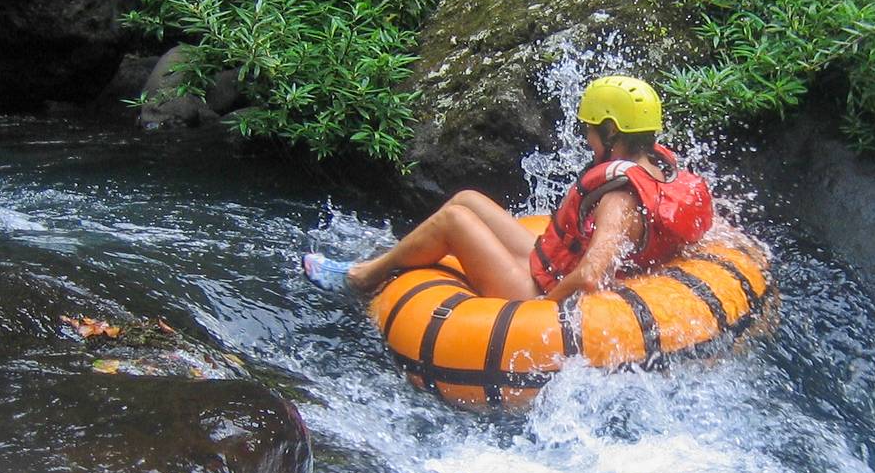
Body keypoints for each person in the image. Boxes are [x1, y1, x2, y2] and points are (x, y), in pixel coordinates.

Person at [303, 75, 714, 303]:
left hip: (535, 291)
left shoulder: (619, 197)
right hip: (546, 266)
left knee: (453, 220)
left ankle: (360, 279)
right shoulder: (659, 166)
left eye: (590, 130)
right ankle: (389, 258)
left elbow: (591, 274)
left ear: (611, 130)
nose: (586, 140)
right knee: (467, 199)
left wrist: (541, 313)